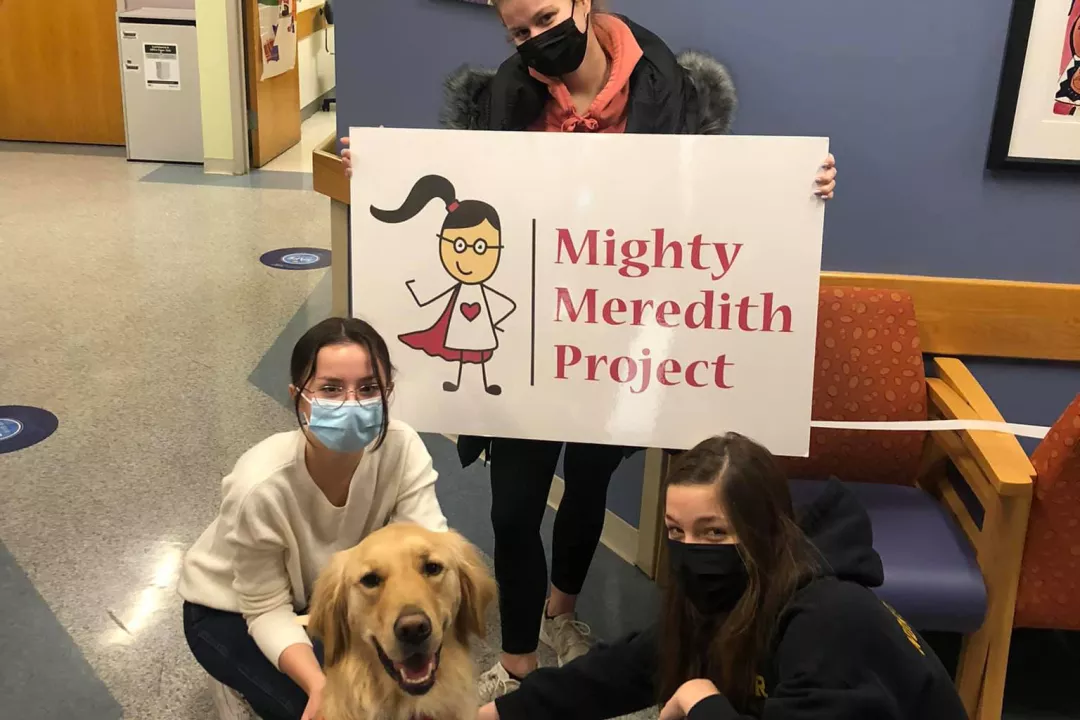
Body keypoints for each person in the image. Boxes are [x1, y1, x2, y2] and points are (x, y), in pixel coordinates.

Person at [341, 0, 839, 702]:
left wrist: (802, 187)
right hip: (526, 345)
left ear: (583, 3)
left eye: (546, 18)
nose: (534, 40)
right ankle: (518, 657)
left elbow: (716, 204)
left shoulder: (673, 94)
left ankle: (561, 612)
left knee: (588, 487)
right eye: (518, 31)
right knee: (513, 509)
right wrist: (376, 173)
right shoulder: (503, 100)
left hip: (620, 338)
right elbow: (468, 199)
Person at [483, 433, 968, 720]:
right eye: (676, 531)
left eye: (714, 532)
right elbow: (623, 670)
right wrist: (503, 713)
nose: (692, 549)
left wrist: (701, 702)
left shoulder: (830, 619)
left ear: (764, 529)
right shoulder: (729, 595)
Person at [178, 317, 447, 720]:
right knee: (328, 708)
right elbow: (265, 607)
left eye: (368, 388)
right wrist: (319, 686)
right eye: (331, 389)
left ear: (388, 392)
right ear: (298, 397)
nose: (352, 403)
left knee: (388, 693)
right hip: (229, 609)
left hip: (323, 597)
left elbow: (429, 549)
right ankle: (240, 684)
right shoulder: (259, 484)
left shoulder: (402, 447)